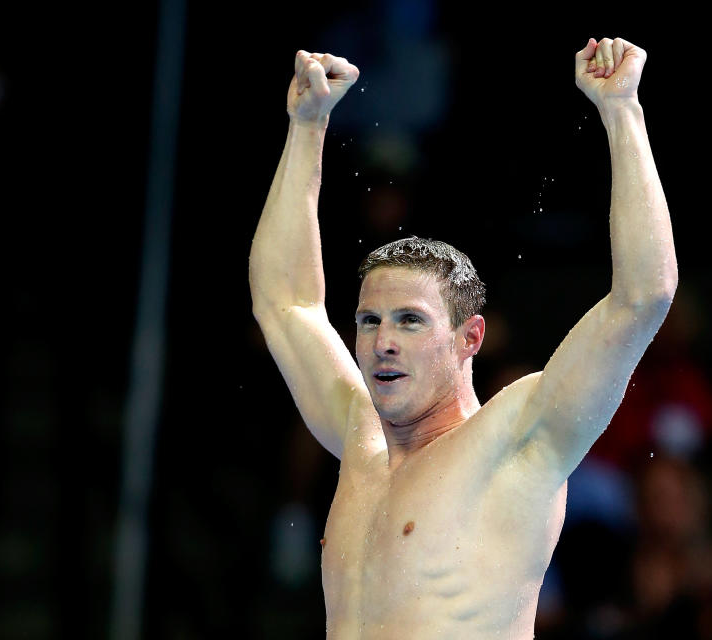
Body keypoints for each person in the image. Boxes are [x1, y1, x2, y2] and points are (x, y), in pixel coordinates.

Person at [249, 36, 677, 638]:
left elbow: (642, 298)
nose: (382, 341)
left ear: (470, 337)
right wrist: (306, 125)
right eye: (370, 321)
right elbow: (285, 304)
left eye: (410, 320)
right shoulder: (359, 437)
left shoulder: (515, 442)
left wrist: (622, 110)